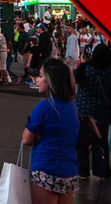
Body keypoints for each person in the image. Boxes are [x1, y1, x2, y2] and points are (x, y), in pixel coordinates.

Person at [22, 58, 79, 203]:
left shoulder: (44, 107)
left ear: (51, 80)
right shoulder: (72, 106)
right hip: (69, 171)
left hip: (46, 169)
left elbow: (26, 139)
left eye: (41, 76)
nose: (37, 80)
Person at [74, 44, 111, 179]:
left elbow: (74, 77)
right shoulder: (109, 70)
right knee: (101, 141)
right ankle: (101, 171)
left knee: (82, 141)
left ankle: (82, 171)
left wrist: (83, 63)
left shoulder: (85, 68)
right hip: (103, 111)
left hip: (84, 110)